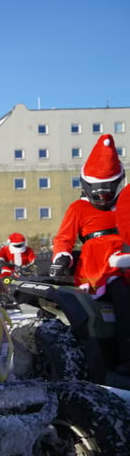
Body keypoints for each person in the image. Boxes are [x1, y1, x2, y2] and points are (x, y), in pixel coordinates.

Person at [49, 134, 130, 374]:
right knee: (124, 296)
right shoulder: (79, 208)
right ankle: (127, 357)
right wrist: (62, 256)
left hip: (126, 259)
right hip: (100, 269)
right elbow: (63, 238)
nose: (103, 199)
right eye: (98, 193)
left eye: (108, 193)